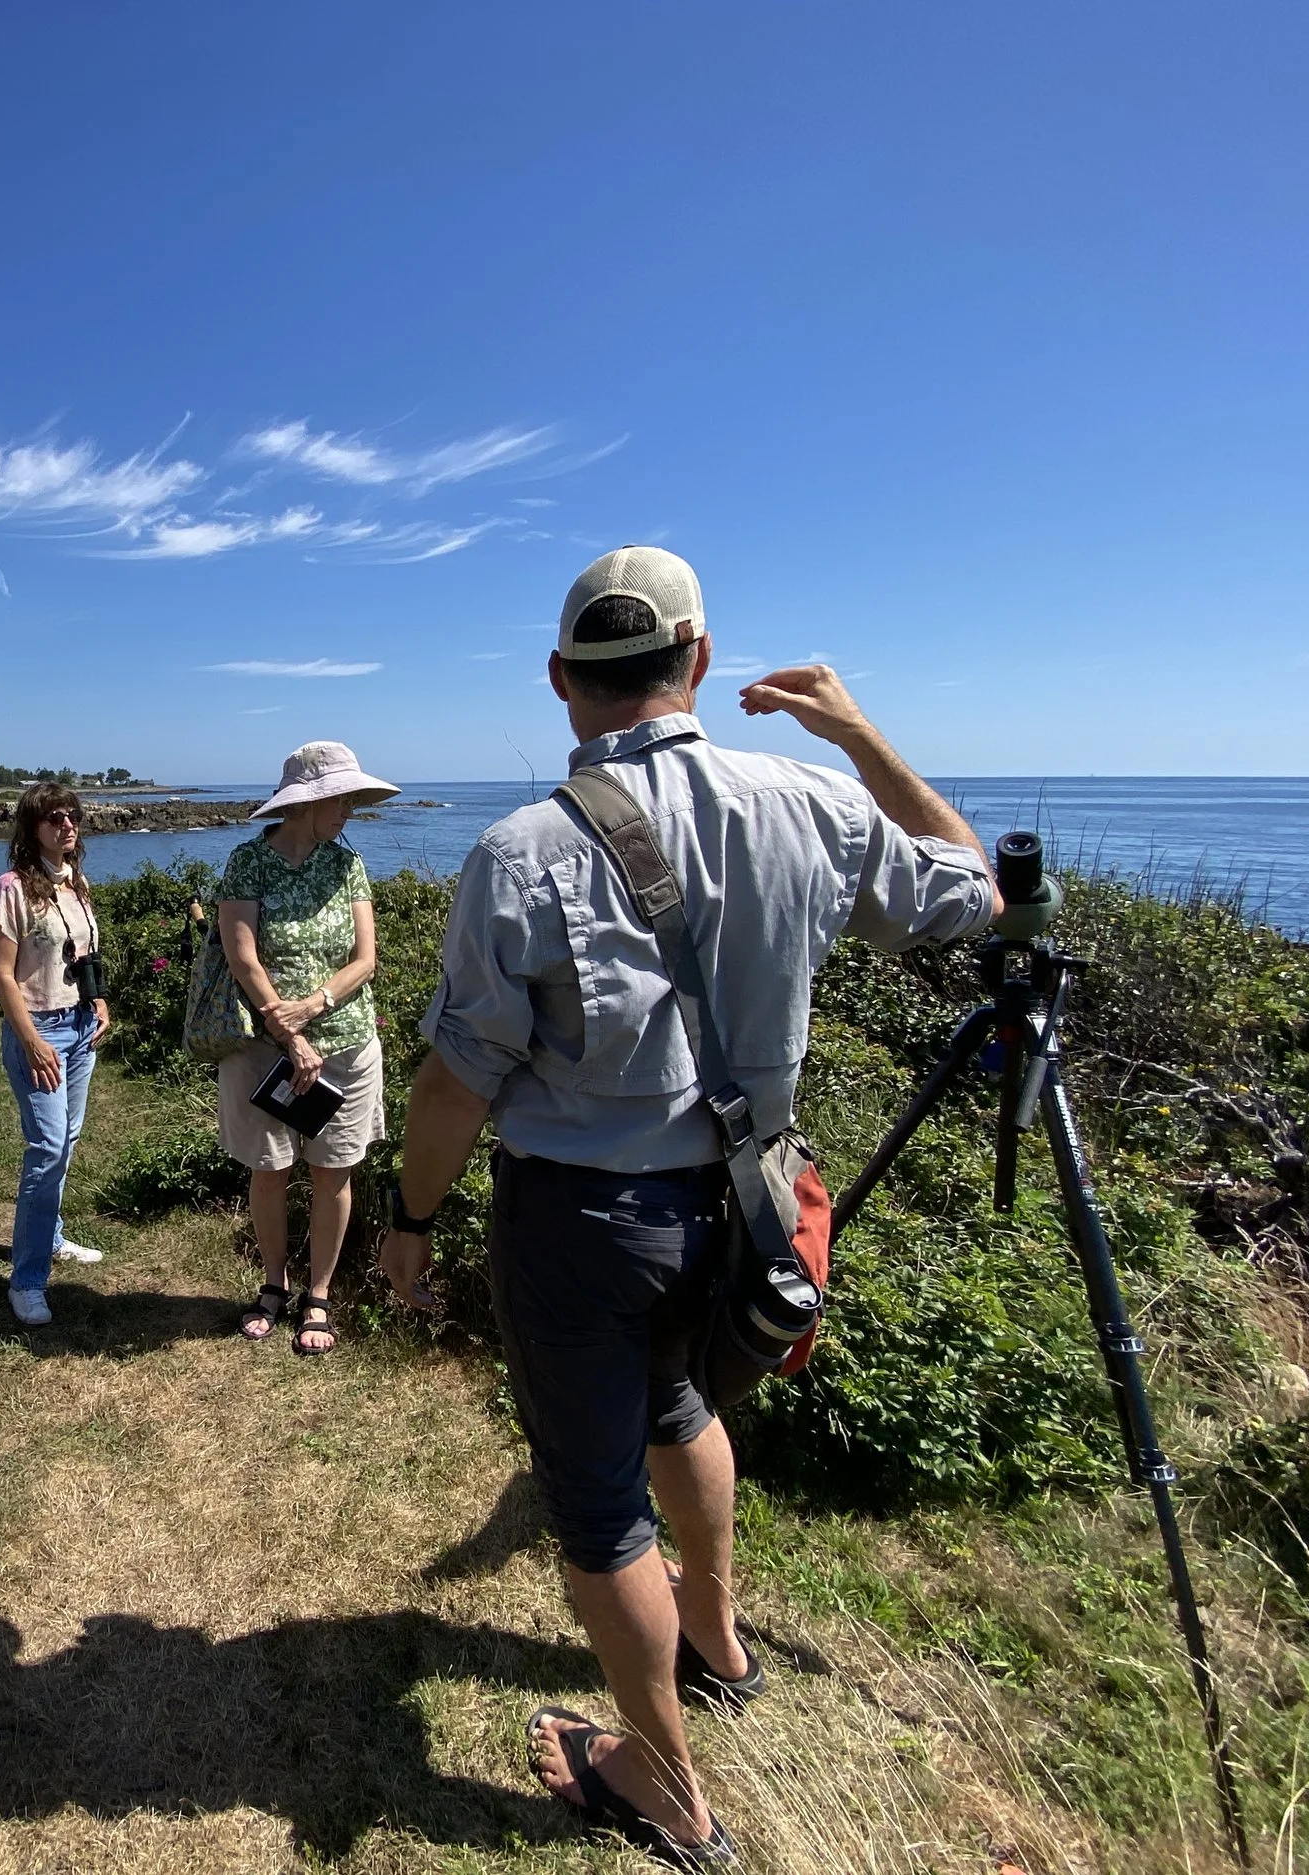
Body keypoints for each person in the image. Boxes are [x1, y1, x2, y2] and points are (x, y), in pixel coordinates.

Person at [377, 546, 1000, 1866]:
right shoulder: (810, 800)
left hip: (580, 1221)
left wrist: (412, 1218)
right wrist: (859, 735)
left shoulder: (521, 850)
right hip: (745, 1199)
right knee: (680, 1404)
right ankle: (717, 1640)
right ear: (700, 660)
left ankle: (663, 1788)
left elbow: (455, 1080)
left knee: (599, 1504)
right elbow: (972, 888)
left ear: (561, 679)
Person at [217, 741, 397, 1357]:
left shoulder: (349, 864)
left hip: (346, 1044)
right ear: (306, 803)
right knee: (269, 1171)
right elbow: (243, 958)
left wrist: (314, 1006)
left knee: (332, 1172)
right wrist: (290, 1035)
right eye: (341, 800)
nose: (349, 811)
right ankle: (274, 1283)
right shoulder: (248, 862)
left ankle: (318, 1294)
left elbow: (366, 960)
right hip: (265, 1050)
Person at [0, 782, 113, 1327]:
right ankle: (28, 1280)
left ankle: (51, 1236)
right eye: (54, 818)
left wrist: (98, 999)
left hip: (79, 1025)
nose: (67, 826)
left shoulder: (74, 882)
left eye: (72, 816)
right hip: (38, 1030)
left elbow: (81, 953)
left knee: (67, 1141)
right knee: (48, 1147)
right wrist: (32, 1041)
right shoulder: (12, 887)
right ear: (31, 827)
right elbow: (2, 973)